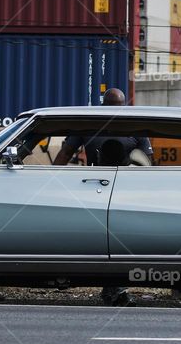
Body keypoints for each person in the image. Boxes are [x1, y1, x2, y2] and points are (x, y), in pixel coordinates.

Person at [52, 87, 151, 307]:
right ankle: (109, 289)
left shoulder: (135, 127)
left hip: (125, 189)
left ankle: (113, 290)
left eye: (119, 107)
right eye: (112, 107)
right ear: (103, 105)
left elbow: (148, 162)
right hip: (94, 187)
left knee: (116, 240)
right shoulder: (89, 124)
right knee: (104, 240)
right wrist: (50, 178)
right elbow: (65, 153)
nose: (116, 112)